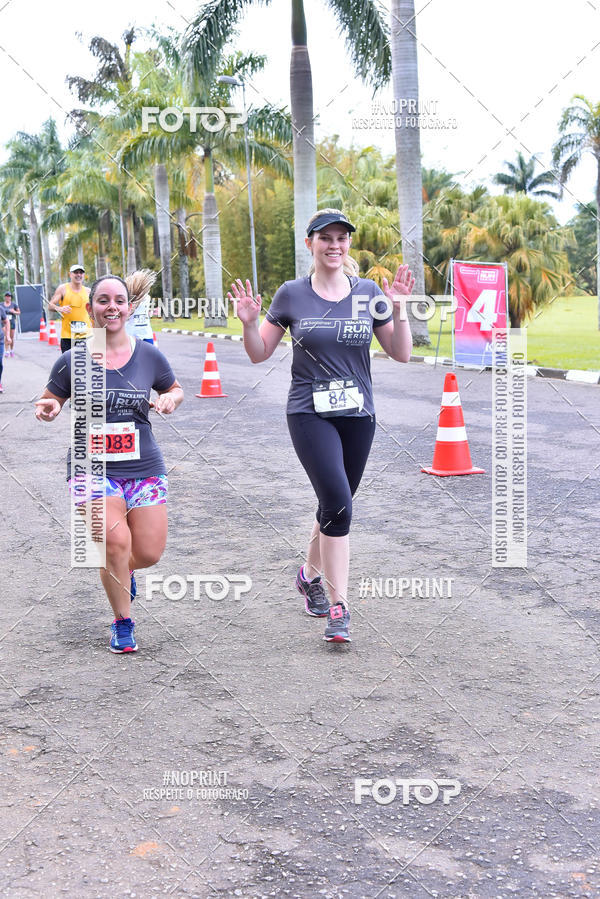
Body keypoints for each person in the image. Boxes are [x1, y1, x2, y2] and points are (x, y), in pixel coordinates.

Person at [230, 208, 414, 644]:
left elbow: (401, 353)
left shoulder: (369, 291)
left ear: (348, 245)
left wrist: (401, 309)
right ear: (310, 243)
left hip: (358, 415)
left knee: (336, 504)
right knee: (338, 501)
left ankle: (308, 575)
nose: (335, 245)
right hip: (308, 412)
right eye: (325, 238)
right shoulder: (291, 294)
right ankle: (339, 606)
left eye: (342, 238)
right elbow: (259, 354)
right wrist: (251, 323)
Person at [35, 273, 184, 653]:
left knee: (147, 553)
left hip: (144, 466)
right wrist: (50, 408)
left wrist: (170, 400)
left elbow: (174, 389)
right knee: (116, 542)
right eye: (103, 300)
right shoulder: (73, 360)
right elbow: (50, 399)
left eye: (119, 300)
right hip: (91, 468)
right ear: (91, 309)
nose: (112, 307)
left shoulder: (149, 355)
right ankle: (123, 622)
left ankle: (123, 570)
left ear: (129, 307)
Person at [48, 264, 92, 353]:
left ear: (83, 275)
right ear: (70, 274)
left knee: (85, 364)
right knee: (69, 364)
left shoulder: (88, 291)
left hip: (86, 335)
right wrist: (60, 308)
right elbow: (50, 306)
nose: (78, 275)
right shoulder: (63, 289)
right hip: (68, 336)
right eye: (76, 272)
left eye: (81, 273)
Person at [124, 269, 156, 345]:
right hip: (131, 333)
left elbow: (145, 311)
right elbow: (126, 314)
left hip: (146, 333)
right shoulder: (128, 297)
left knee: (150, 355)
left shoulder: (147, 297)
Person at [3, 292, 20, 356]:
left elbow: (19, 312)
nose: (8, 297)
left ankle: (11, 350)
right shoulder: (1, 305)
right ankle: (7, 351)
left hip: (11, 322)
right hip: (4, 323)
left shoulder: (14, 305)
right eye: (6, 296)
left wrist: (14, 312)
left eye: (9, 296)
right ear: (5, 297)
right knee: (6, 336)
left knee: (11, 337)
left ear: (11, 298)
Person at [0, 302, 9, 392]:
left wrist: (8, 335)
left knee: (0, 362)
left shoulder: (1, 309)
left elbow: (6, 321)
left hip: (0, 340)